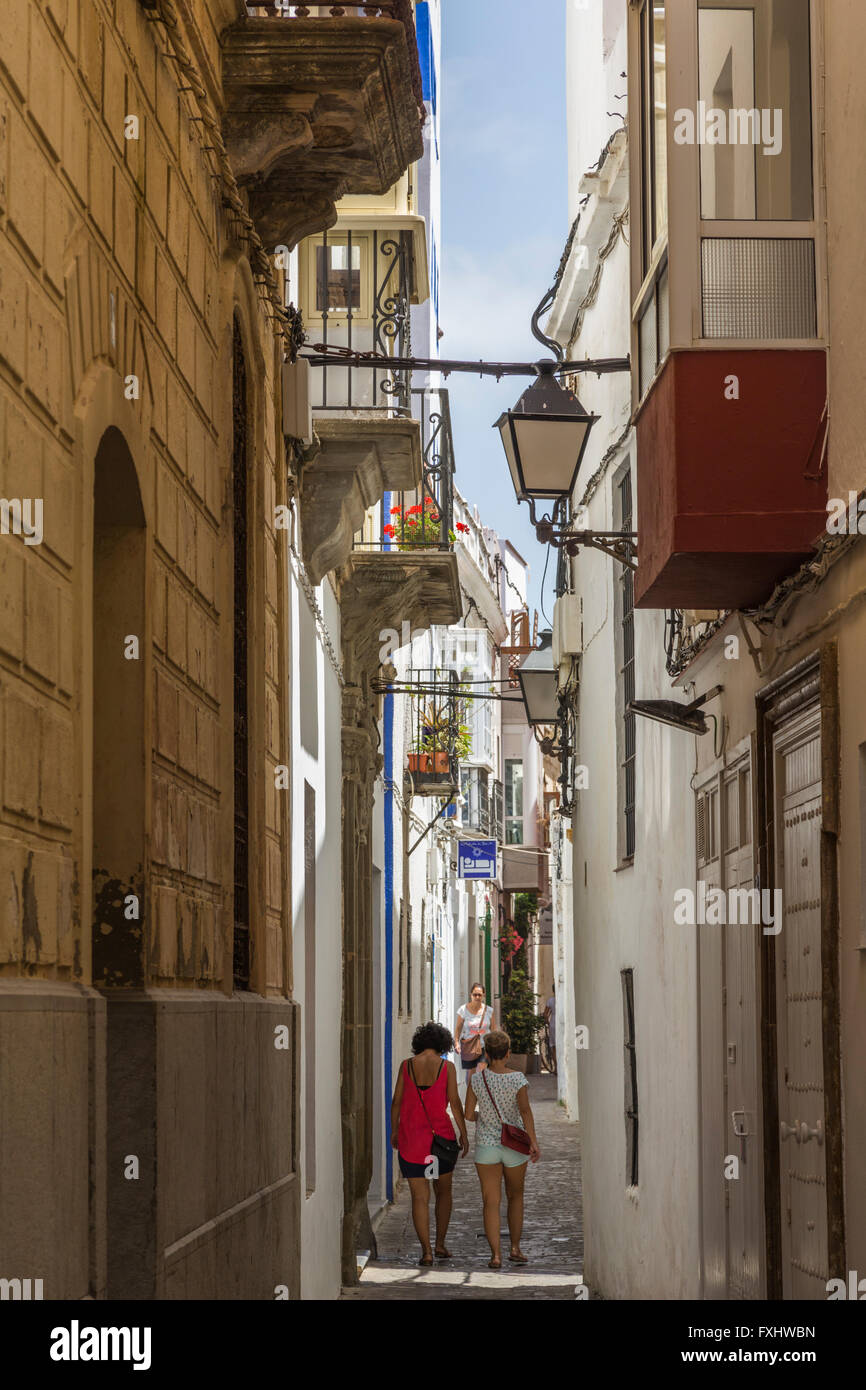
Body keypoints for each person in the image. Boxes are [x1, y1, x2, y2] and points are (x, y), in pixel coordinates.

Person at [391, 1022, 469, 1266]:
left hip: (412, 1141)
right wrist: (463, 1133)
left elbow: (396, 1102)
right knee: (443, 1192)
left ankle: (425, 1251)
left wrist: (395, 1131)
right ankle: (440, 1244)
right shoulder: (447, 1067)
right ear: (442, 1043)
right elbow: (455, 1103)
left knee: (419, 1197)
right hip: (440, 1143)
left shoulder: (406, 1066)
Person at [464, 1029, 540, 1269]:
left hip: (487, 1146)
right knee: (516, 1196)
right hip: (514, 1146)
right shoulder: (518, 1079)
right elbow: (525, 1112)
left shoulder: (476, 1080)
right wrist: (534, 1142)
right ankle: (515, 1249)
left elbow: (468, 1114)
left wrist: (484, 1118)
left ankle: (495, 1255)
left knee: (490, 1201)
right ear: (508, 1054)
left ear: (486, 1054)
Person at [455, 983, 493, 1095]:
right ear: (471, 995)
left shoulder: (489, 1011)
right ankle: (471, 1095)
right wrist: (456, 1042)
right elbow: (458, 1028)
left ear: (483, 996)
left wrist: (494, 1046)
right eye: (475, 994)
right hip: (469, 1045)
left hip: (484, 1045)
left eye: (479, 995)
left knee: (482, 1069)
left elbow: (494, 1029)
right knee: (470, 1072)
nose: (477, 997)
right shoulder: (463, 1010)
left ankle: (481, 1095)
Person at [544, 987, 557, 1072]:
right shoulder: (565, 999)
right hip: (563, 1023)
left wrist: (548, 1023)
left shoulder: (551, 1000)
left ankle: (556, 1067)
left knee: (554, 1046)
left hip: (553, 1023)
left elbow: (545, 1014)